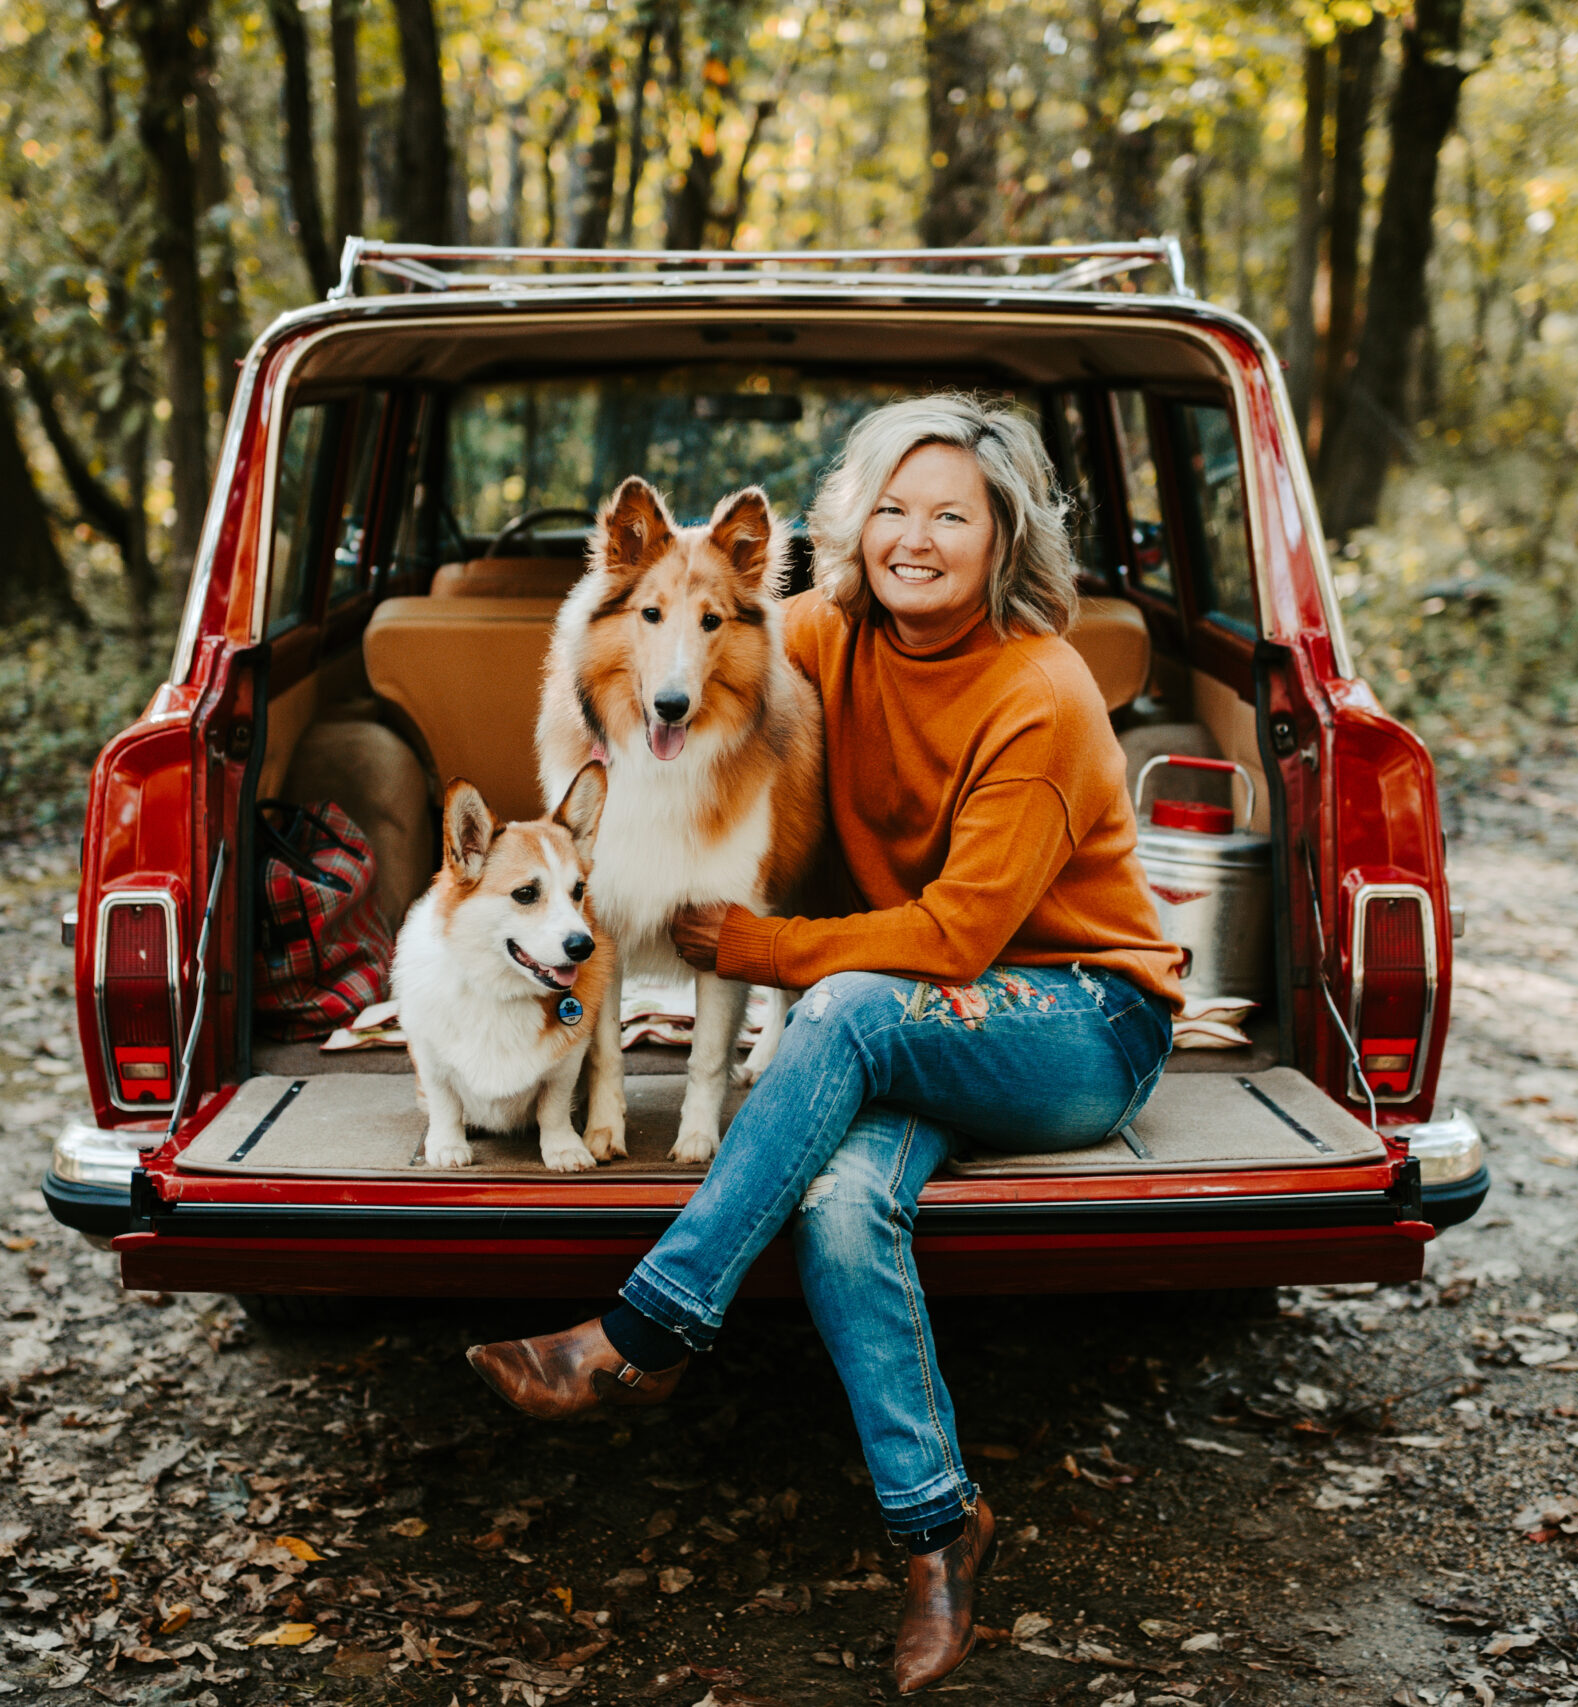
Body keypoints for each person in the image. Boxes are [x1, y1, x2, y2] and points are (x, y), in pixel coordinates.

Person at [465, 394, 1185, 1694]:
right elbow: (676, 638)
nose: (915, 537)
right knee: (845, 1203)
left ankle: (642, 1333)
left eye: (951, 515)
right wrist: (600, 715)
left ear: (1005, 536)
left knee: (844, 1003)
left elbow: (960, 934)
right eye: (892, 509)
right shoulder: (825, 634)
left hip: (1073, 1016)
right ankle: (938, 1533)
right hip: (921, 1016)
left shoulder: (1041, 690)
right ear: (857, 522)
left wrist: (763, 946)